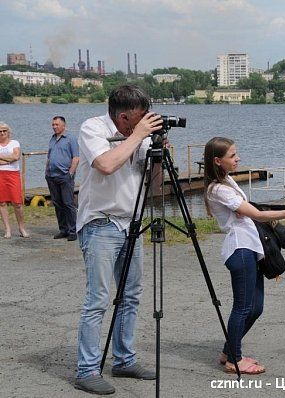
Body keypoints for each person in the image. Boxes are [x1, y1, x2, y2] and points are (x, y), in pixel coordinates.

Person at [74, 84, 164, 395]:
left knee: (130, 297)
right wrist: (139, 136)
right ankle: (86, 370)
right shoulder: (93, 128)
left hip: (131, 224)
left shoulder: (136, 135)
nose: (145, 124)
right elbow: (107, 165)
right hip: (100, 224)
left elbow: (155, 188)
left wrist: (158, 153)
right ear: (123, 117)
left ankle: (124, 359)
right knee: (97, 300)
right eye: (140, 120)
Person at [203, 137, 285, 375]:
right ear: (217, 160)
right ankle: (235, 360)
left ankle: (228, 351)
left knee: (256, 308)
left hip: (251, 249)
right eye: (233, 156)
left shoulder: (228, 180)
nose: (238, 158)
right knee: (243, 308)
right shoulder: (218, 189)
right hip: (240, 250)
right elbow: (256, 214)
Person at [45, 116, 79, 241]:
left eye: (57, 124)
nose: (54, 127)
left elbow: (76, 158)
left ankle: (72, 231)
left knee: (68, 203)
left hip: (65, 176)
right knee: (58, 204)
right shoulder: (52, 139)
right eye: (53, 124)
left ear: (64, 125)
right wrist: (46, 172)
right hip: (51, 176)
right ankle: (63, 230)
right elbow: (49, 157)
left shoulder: (71, 139)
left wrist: (70, 174)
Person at [0, 122, 30, 239]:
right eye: (0, 131)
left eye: (4, 131)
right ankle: (7, 229)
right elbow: (12, 158)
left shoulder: (14, 143)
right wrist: (9, 159)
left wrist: (3, 159)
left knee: (17, 203)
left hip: (13, 174)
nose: (2, 133)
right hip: (0, 175)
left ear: (8, 132)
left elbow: (16, 157)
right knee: (2, 202)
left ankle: (21, 228)